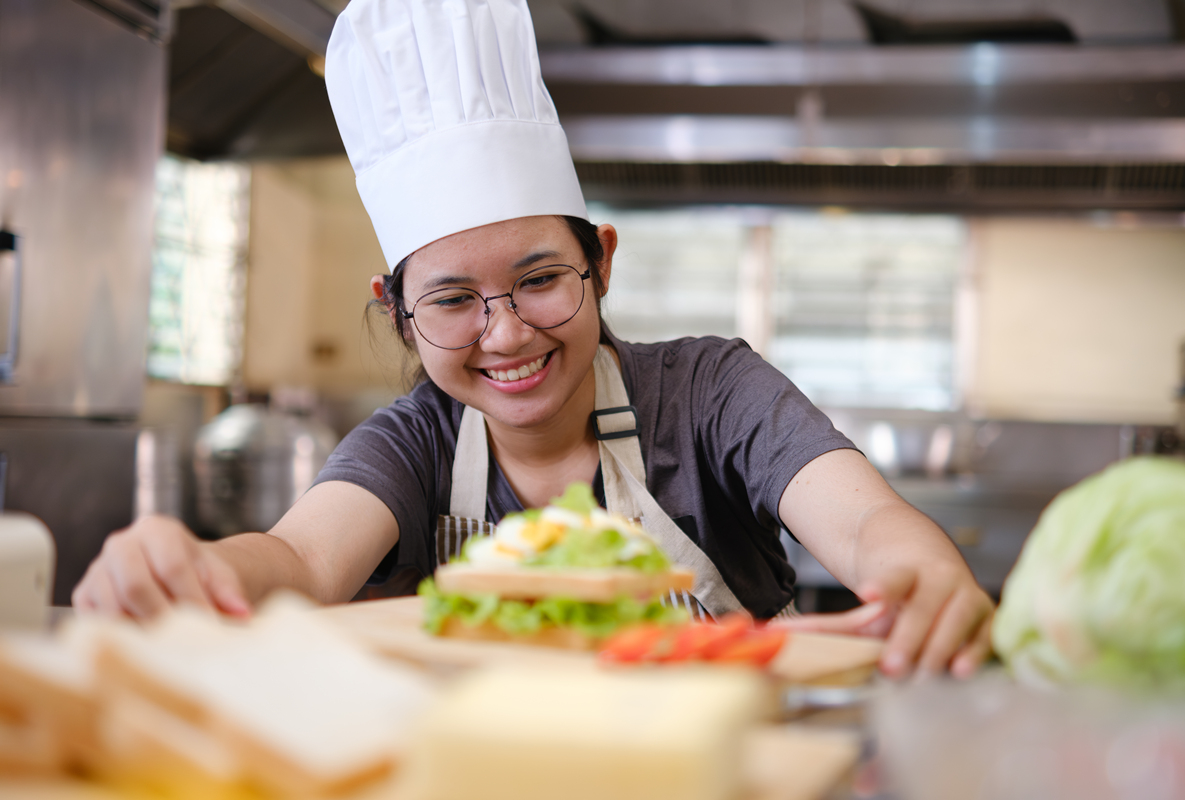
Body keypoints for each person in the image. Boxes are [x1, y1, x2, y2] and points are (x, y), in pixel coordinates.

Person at [72, 0, 994, 679]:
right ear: (398, 313)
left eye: (540, 279)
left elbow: (868, 520)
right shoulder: (417, 442)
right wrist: (193, 568)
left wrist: (916, 570)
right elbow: (302, 560)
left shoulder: (710, 393)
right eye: (453, 300)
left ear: (601, 259)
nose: (505, 333)